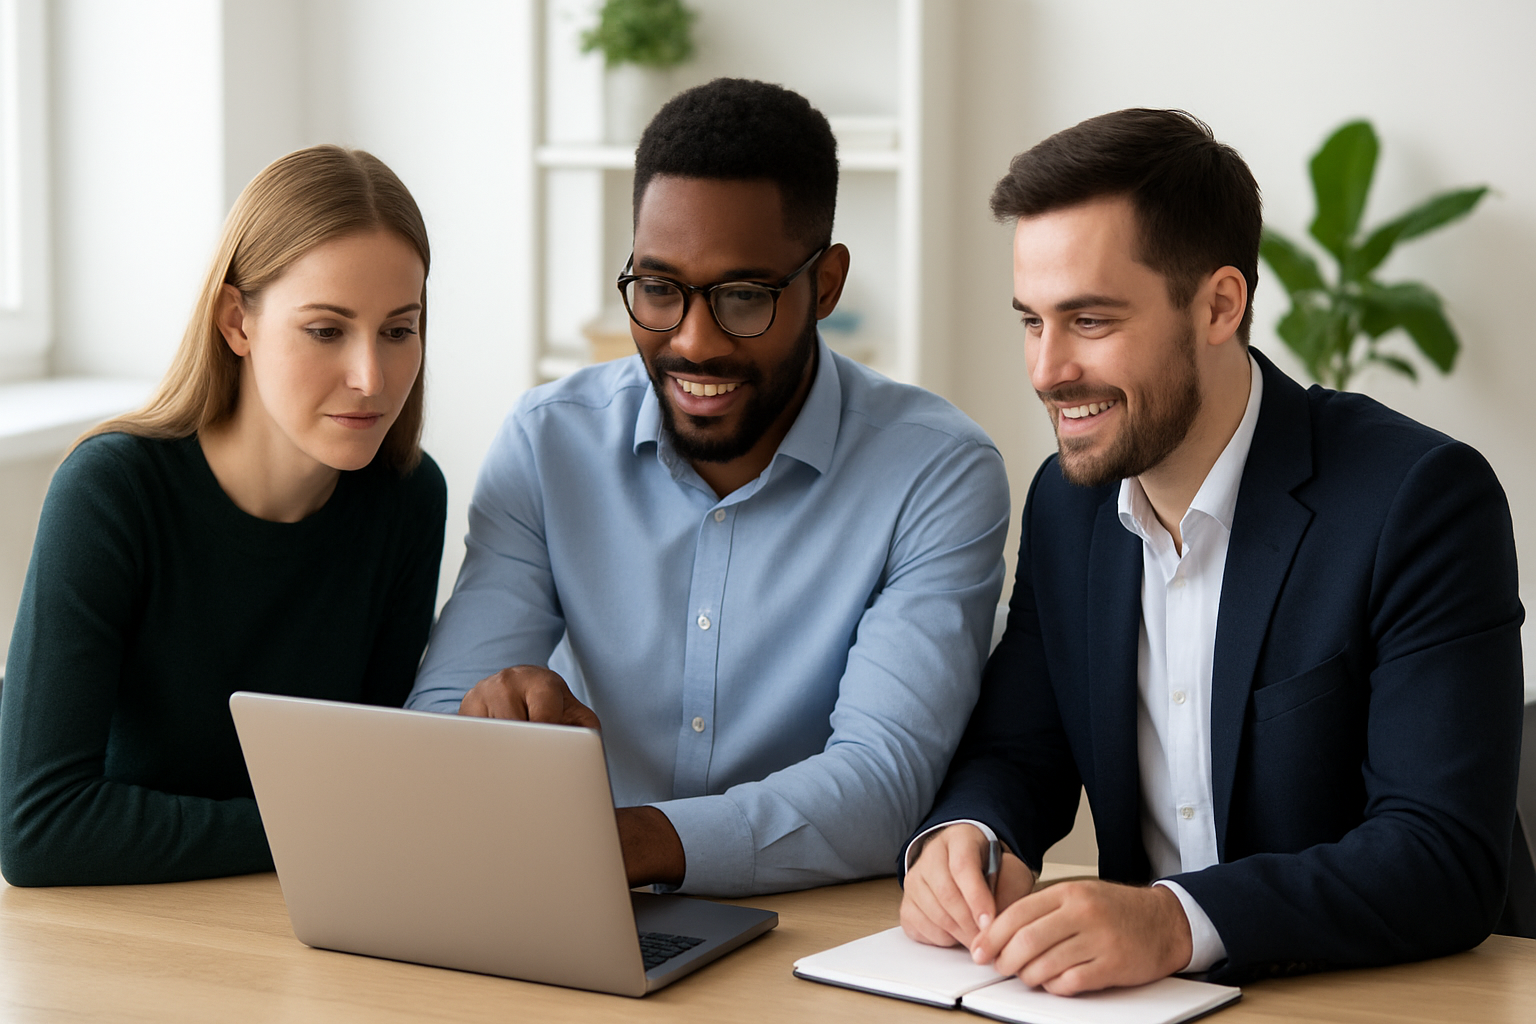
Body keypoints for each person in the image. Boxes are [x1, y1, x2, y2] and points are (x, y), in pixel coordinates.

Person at [899, 109, 1524, 990]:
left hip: (1378, 997)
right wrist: (967, 838)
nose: (1045, 370)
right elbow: (1019, 749)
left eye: (1088, 319)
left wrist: (1174, 921)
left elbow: (1441, 855)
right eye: (1032, 322)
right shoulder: (1067, 505)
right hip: (1140, 1006)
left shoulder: (1417, 500)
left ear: (1219, 305)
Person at [405, 78, 1010, 896]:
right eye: (659, 289)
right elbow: (434, 735)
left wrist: (635, 841)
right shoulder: (548, 442)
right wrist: (493, 726)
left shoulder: (936, 473)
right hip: (571, 904)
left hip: (808, 930)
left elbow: (882, 783)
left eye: (743, 297)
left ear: (824, 285)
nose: (694, 342)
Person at [0, 146, 447, 886]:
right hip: (110, 932)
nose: (371, 378)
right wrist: (322, 829)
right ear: (237, 322)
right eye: (326, 330)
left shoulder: (407, 497)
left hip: (296, 915)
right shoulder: (111, 492)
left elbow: (368, 778)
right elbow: (39, 827)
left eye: (399, 330)